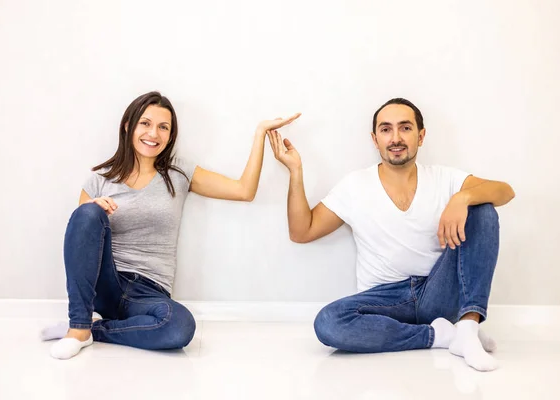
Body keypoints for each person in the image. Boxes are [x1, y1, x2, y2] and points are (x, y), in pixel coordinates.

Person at [41, 91, 300, 359]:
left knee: (179, 327)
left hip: (149, 292)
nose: (154, 133)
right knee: (86, 213)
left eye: (163, 127)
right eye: (146, 123)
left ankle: (93, 330)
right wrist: (95, 208)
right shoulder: (99, 178)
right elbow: (80, 243)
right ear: (128, 125)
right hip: (106, 282)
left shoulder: (178, 172)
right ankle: (78, 327)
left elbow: (244, 190)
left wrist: (259, 133)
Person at [267, 97, 514, 371]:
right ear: (375, 139)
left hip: (438, 291)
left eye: (405, 128)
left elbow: (505, 191)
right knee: (329, 322)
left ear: (421, 136)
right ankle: (443, 336)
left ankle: (467, 328)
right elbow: (302, 231)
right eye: (386, 129)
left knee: (483, 210)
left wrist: (463, 198)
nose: (396, 138)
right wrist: (295, 170)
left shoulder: (445, 179)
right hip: (386, 299)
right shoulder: (355, 186)